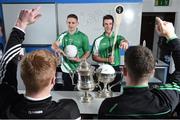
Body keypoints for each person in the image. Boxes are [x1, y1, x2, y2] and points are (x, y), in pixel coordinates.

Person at [0, 7, 81, 119]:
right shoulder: (69, 110)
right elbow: (7, 62)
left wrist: (21, 23)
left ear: (22, 78)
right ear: (53, 80)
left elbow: (7, 62)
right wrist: (21, 23)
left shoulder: (6, 104)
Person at [98, 17, 180, 119]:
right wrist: (171, 35)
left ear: (124, 71)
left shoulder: (108, 107)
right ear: (152, 72)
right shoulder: (165, 102)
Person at [51, 14, 90, 91]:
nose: (71, 25)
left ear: (77, 23)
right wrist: (58, 49)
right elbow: (54, 45)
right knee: (67, 91)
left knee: (80, 91)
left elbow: (87, 52)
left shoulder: (83, 36)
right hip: (66, 68)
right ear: (66, 23)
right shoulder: (63, 36)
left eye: (73, 23)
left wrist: (80, 59)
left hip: (79, 68)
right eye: (69, 22)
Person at [92, 15, 128, 92]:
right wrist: (107, 59)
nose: (108, 26)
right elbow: (94, 57)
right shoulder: (98, 40)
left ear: (113, 25)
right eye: (106, 24)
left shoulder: (118, 38)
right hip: (102, 70)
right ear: (103, 25)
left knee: (115, 94)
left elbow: (123, 41)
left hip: (115, 69)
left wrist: (125, 43)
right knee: (102, 93)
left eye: (110, 24)